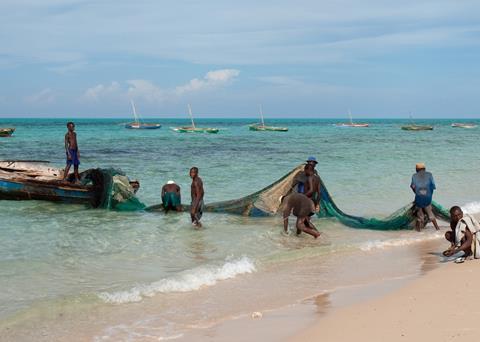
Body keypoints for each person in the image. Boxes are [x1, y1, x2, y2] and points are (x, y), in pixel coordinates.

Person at [410, 163, 440, 231]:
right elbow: (433, 186)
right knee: (430, 213)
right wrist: (429, 195)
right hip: (428, 197)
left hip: (419, 197)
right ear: (424, 169)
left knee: (420, 215)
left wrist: (417, 193)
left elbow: (413, 186)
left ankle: (418, 231)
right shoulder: (429, 174)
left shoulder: (414, 176)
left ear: (416, 169)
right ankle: (437, 229)